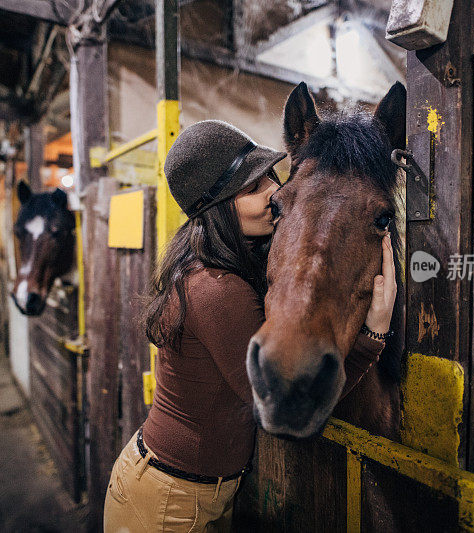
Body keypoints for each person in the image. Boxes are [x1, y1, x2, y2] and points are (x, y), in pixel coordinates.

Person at [103, 120, 396, 532]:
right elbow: (287, 401)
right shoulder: (216, 289)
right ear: (219, 208)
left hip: (196, 491)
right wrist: (373, 338)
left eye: (268, 178)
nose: (273, 193)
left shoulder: (216, 267)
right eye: (251, 188)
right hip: (169, 500)